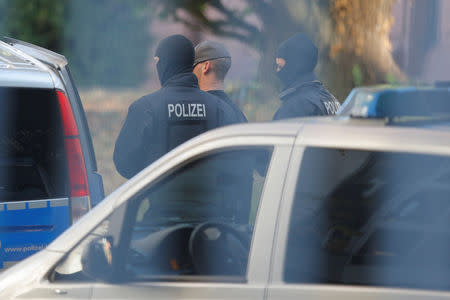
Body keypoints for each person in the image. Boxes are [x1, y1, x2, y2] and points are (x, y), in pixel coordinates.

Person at [114, 35, 239, 179]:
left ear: (166, 63)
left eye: (157, 61)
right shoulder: (220, 108)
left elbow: (124, 162)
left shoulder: (145, 108)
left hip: (162, 199)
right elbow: (236, 163)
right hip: (209, 199)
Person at [272, 33, 340, 120]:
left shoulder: (296, 108)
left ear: (294, 67)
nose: (277, 71)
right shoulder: (330, 99)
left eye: (280, 66)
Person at [193, 40, 247, 123]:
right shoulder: (239, 114)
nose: (191, 71)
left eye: (194, 66)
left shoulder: (197, 111)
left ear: (206, 67)